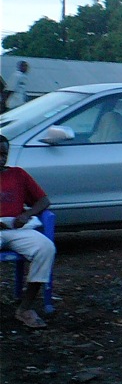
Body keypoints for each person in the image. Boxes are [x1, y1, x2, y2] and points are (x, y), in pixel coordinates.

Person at [1, 135, 55, 329]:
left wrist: (27, 215)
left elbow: (44, 201)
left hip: (17, 228)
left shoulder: (18, 174)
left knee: (45, 248)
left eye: (4, 154)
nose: (1, 158)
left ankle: (25, 307)